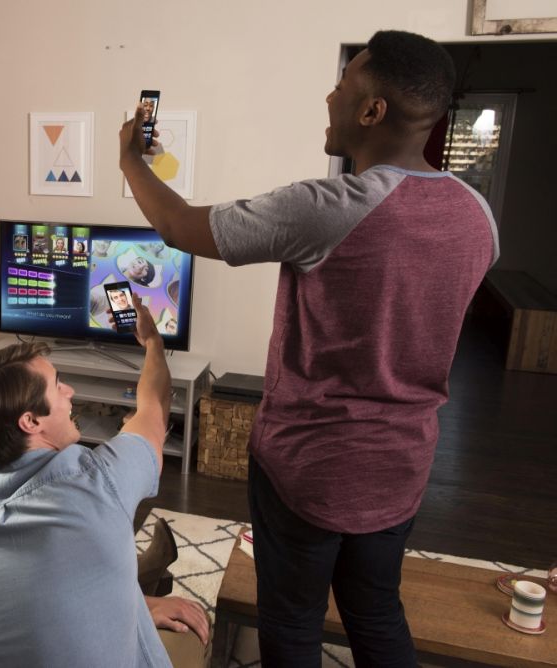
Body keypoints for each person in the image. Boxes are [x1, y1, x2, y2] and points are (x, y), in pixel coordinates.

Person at [119, 30, 498, 667]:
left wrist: (130, 158)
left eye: (342, 85)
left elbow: (178, 227)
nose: (329, 96)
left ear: (372, 111)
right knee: (375, 610)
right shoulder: (477, 214)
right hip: (401, 465)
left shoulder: (328, 207)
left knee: (292, 622)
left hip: (308, 466)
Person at [0, 297, 210, 667]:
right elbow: (153, 407)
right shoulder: (100, 480)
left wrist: (138, 604)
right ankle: (138, 580)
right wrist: (153, 342)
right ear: (31, 422)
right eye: (57, 386)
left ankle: (134, 585)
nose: (70, 392)